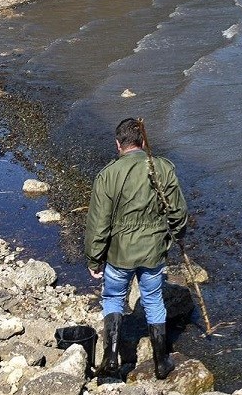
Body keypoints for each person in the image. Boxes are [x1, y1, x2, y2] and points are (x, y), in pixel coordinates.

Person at [85, 118, 187, 380]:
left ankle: (110, 359)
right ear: (142, 142)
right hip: (153, 250)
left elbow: (98, 223)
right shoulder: (161, 168)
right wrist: (175, 236)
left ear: (118, 144)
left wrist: (94, 259)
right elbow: (177, 212)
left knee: (113, 299)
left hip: (119, 253)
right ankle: (161, 361)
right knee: (153, 300)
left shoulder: (108, 174)